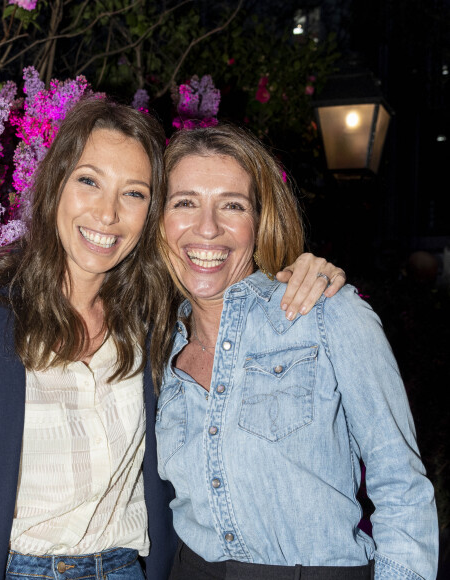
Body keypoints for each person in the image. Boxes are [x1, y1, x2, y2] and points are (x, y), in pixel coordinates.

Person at [0, 98, 345, 580]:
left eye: (134, 193)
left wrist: (304, 270)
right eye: (89, 181)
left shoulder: (158, 314)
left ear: (151, 213)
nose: (107, 214)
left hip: (128, 569)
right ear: (56, 184)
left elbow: (230, 279)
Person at [153, 124, 438, 580]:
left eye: (232, 205)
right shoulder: (154, 343)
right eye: (184, 202)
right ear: (159, 221)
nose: (207, 227)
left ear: (260, 221)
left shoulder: (325, 313)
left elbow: (401, 485)